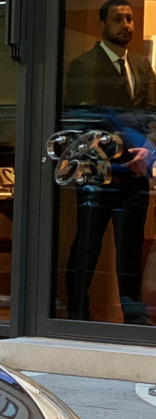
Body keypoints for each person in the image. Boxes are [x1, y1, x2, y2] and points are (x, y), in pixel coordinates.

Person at [63, 0, 156, 324]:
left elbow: (151, 117)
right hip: (97, 170)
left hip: (136, 171)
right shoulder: (84, 64)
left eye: (129, 18)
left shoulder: (143, 66)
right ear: (102, 25)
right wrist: (134, 145)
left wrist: (149, 152)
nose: (126, 25)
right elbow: (89, 118)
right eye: (118, 19)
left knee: (130, 247)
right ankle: (77, 310)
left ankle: (133, 314)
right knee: (87, 243)